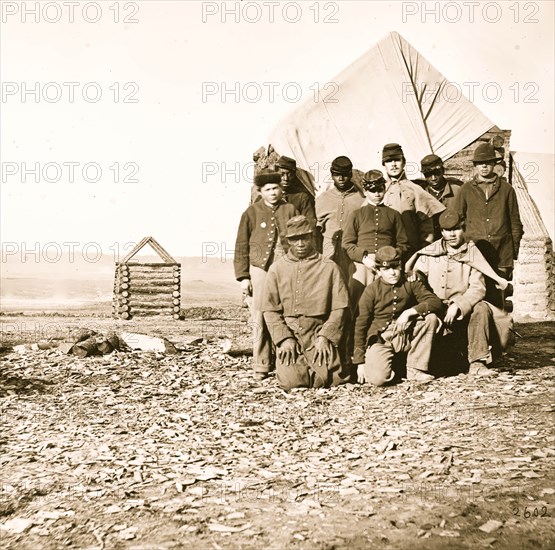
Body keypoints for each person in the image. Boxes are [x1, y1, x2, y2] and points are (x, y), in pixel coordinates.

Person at [405, 209, 511, 377]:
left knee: (482, 308)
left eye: (456, 229)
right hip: (436, 307)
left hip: (462, 311)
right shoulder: (430, 253)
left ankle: (477, 362)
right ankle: (416, 368)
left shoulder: (473, 253)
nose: (451, 234)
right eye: (447, 230)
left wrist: (459, 305)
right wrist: (418, 280)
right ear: (441, 232)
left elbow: (478, 288)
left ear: (463, 229)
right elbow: (418, 279)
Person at [262, 215, 352, 390]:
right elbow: (269, 310)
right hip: (291, 331)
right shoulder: (277, 269)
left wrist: (325, 336)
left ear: (312, 237)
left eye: (304, 238)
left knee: (331, 380)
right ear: (288, 241)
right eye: (295, 239)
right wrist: (284, 339)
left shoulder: (329, 267)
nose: (300, 244)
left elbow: (340, 308)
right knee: (292, 383)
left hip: (319, 330)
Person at [234, 168, 299, 380]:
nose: (272, 193)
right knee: (260, 315)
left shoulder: (290, 209)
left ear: (281, 189)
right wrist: (244, 277)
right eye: (268, 189)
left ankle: (285, 362)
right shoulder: (251, 213)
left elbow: (301, 239)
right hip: (259, 270)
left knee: (285, 313)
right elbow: (241, 246)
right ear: (260, 192)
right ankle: (261, 364)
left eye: (276, 188)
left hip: (286, 269)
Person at [353, 246, 443, 386]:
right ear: (378, 270)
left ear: (401, 266)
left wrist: (409, 312)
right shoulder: (371, 290)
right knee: (378, 379)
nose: (392, 273)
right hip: (382, 338)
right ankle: (396, 368)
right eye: (386, 269)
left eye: (395, 267)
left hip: (405, 332)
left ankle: (415, 369)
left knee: (430, 318)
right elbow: (360, 325)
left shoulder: (410, 282)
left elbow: (435, 302)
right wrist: (360, 362)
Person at [455, 143, 523, 281]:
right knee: (476, 290)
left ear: (494, 164)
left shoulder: (507, 189)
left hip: (501, 253)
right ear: (475, 166)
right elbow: (457, 220)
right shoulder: (466, 190)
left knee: (499, 292)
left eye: (487, 162)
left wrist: (513, 252)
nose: (484, 166)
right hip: (475, 252)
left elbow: (515, 223)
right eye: (480, 163)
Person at [342, 170, 410, 307]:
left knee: (386, 299)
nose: (377, 194)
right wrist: (364, 259)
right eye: (373, 191)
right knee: (357, 295)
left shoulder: (394, 215)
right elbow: (347, 243)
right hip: (362, 263)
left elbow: (403, 243)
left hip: (388, 263)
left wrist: (390, 259)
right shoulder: (357, 215)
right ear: (365, 192)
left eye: (380, 190)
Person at [380, 143, 446, 256]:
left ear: (404, 162)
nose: (394, 165)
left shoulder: (415, 189)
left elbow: (427, 226)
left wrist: (424, 252)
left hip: (410, 250)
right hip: (384, 250)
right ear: (384, 165)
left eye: (397, 160)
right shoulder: (379, 191)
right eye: (389, 161)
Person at [315, 156, 365, 281]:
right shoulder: (323, 199)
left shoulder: (361, 198)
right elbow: (316, 231)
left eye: (344, 175)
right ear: (332, 175)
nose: (341, 179)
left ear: (350, 174)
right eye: (337, 175)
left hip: (351, 251)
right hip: (328, 250)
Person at [419, 154, 463, 240]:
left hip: (454, 239)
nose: (433, 178)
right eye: (428, 175)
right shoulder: (421, 193)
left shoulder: (457, 190)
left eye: (436, 173)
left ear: (443, 171)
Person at [276, 155, 317, 228]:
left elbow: (310, 223)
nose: (286, 178)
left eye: (289, 174)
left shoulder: (302, 197)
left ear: (294, 176)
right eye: (281, 174)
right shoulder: (270, 195)